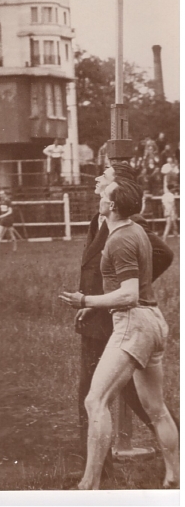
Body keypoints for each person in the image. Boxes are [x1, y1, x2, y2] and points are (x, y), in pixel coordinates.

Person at [60, 178, 179, 490]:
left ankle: (89, 485)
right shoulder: (134, 229)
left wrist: (85, 300)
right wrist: (98, 307)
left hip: (133, 324)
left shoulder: (118, 241)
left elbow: (127, 295)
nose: (98, 193)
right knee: (156, 408)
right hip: (153, 320)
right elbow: (135, 286)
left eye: (103, 192)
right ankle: (175, 477)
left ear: (112, 205)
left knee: (95, 401)